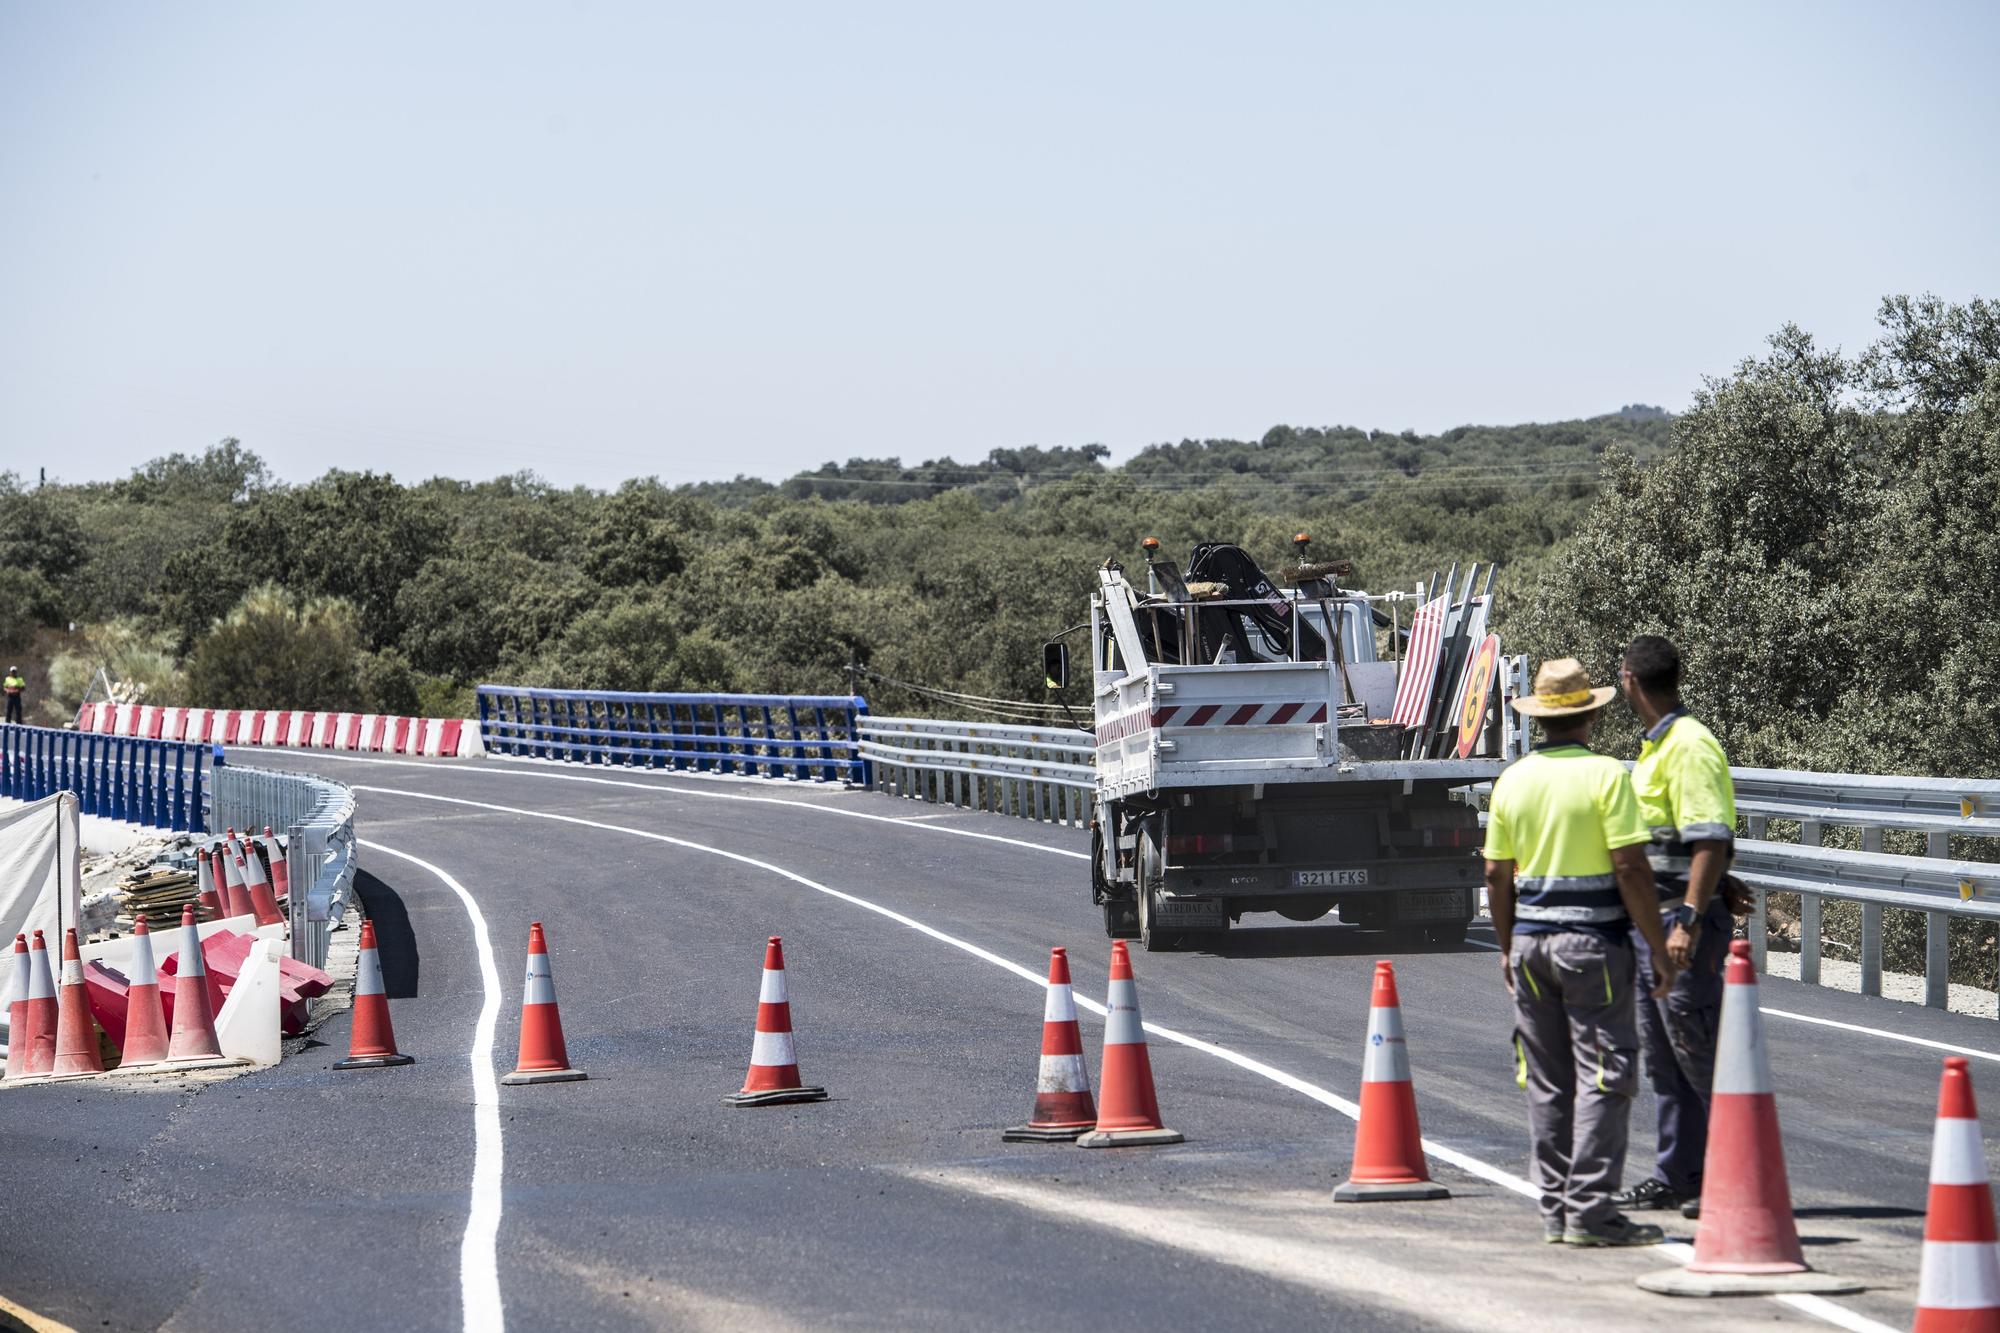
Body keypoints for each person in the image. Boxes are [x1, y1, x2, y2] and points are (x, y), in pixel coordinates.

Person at [1484, 657, 1678, 1246]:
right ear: (1590, 717)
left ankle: (1554, 1210)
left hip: (1530, 947)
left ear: (1540, 718)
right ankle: (1590, 1212)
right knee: (1605, 1077)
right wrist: (1656, 947)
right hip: (1593, 948)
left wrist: (1505, 945)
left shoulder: (1512, 779)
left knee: (1547, 1081)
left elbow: (1496, 873)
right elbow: (1629, 867)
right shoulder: (1607, 777)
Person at [1610, 635, 1737, 1222]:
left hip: (1676, 927)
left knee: (1698, 1052)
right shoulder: (1658, 746)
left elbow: (1713, 835)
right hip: (1650, 924)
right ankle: (1678, 1175)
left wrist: (1691, 913)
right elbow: (1681, 839)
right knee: (1665, 1059)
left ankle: (1732, 1176)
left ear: (1629, 679)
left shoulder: (1688, 745)